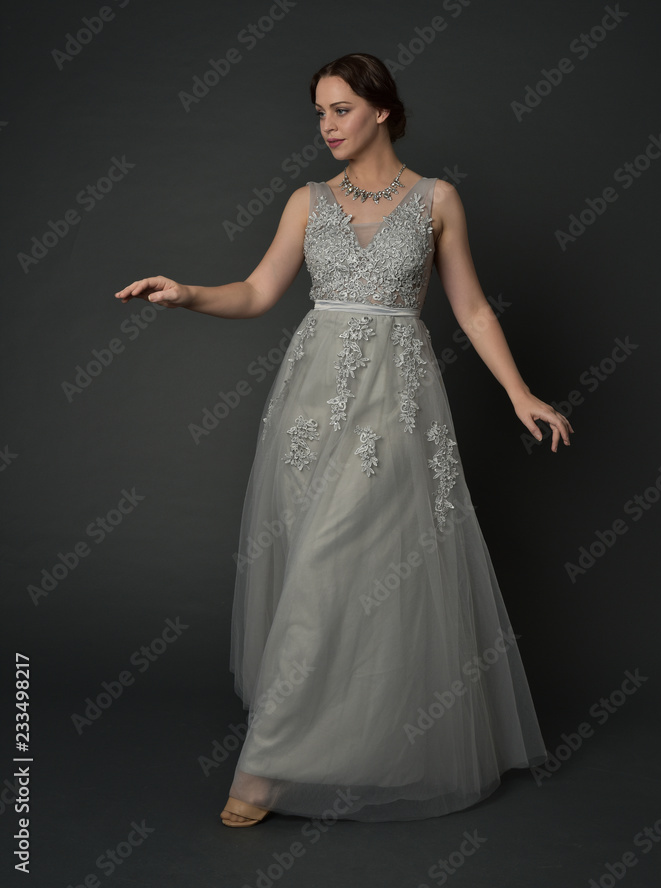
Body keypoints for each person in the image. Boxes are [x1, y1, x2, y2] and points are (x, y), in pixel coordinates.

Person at [115, 52, 573, 828]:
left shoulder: (436, 199)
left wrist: (518, 391)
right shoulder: (306, 200)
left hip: (393, 404)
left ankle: (262, 770)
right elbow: (257, 291)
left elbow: (471, 309)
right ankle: (337, 742)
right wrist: (186, 292)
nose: (326, 126)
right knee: (318, 570)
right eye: (319, 113)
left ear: (381, 110)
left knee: (337, 560)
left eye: (341, 110)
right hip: (309, 409)